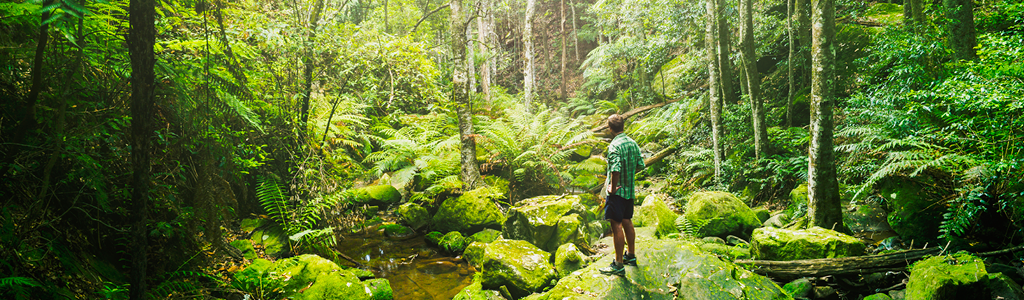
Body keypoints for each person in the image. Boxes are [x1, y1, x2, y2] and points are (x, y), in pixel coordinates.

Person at [599, 114, 645, 276]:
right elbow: (641, 165)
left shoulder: (614, 146)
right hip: (629, 190)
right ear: (622, 126)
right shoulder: (632, 143)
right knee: (627, 220)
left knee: (616, 224)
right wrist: (629, 175)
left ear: (610, 129)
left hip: (617, 192)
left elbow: (616, 168)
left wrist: (612, 187)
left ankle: (618, 264)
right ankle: (631, 255)